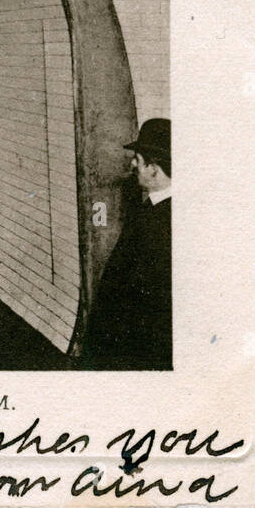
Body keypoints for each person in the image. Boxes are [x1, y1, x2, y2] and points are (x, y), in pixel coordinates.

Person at [83, 118, 172, 370]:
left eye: (138, 159)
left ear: (154, 168)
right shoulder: (155, 208)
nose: (133, 164)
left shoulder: (159, 222)